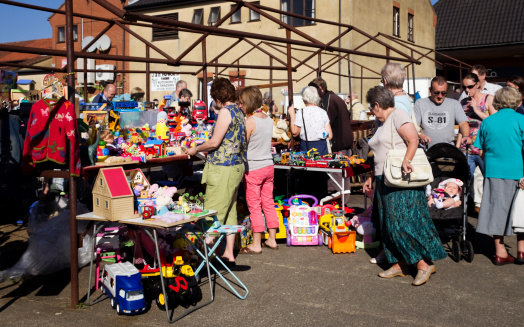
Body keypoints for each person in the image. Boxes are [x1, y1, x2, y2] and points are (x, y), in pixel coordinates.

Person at [363, 86, 447, 286]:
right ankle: (401, 263)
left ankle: (423, 264)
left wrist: (407, 160)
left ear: (377, 104)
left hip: (401, 179)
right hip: (384, 178)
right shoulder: (380, 123)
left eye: (371, 107)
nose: (371, 110)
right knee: (389, 224)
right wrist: (370, 177)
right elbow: (377, 153)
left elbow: (413, 139)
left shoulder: (398, 114)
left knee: (404, 223)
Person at [184, 77, 246, 266]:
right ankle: (228, 253)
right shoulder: (239, 111)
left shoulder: (226, 112)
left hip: (223, 168)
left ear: (217, 98)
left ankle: (205, 257)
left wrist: (195, 149)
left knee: (213, 213)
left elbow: (214, 142)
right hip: (236, 166)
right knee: (229, 211)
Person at [473, 87, 524, 265]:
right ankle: (522, 250)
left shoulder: (488, 122)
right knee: (521, 210)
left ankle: (500, 252)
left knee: (496, 210)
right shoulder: (521, 120)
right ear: (517, 102)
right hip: (519, 172)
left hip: (493, 171)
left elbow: (480, 150)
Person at [237, 86, 279, 254]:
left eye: (241, 103)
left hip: (254, 168)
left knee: (254, 206)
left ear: (248, 102)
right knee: (268, 202)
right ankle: (272, 239)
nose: (240, 106)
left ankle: (256, 243)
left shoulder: (249, 122)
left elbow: (242, 146)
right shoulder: (268, 119)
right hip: (268, 166)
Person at [456, 73, 495, 212]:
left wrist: (476, 110)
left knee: (489, 179)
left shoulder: (488, 99)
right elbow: (462, 126)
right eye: (464, 87)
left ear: (478, 84)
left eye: (470, 87)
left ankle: (489, 210)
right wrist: (457, 148)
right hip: (467, 147)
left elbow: (495, 122)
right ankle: (463, 211)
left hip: (484, 147)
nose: (467, 90)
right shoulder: (462, 101)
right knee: (465, 179)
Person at [310, 77, 353, 200]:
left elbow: (324, 122)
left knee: (335, 177)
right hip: (344, 142)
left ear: (320, 89)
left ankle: (336, 205)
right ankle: (343, 203)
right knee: (343, 176)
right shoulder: (336, 98)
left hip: (337, 144)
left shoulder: (328, 99)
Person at [414, 76, 471, 148]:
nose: (440, 96)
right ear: (430, 90)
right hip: (426, 149)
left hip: (447, 149)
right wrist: (423, 137)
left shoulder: (454, 103)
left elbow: (463, 123)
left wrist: (465, 136)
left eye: (443, 93)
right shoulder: (420, 103)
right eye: (436, 92)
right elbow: (416, 126)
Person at [287, 86, 332, 155]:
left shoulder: (301, 112)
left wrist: (292, 115)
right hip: (322, 147)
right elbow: (330, 135)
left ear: (304, 98)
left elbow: (295, 133)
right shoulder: (323, 112)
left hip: (306, 147)